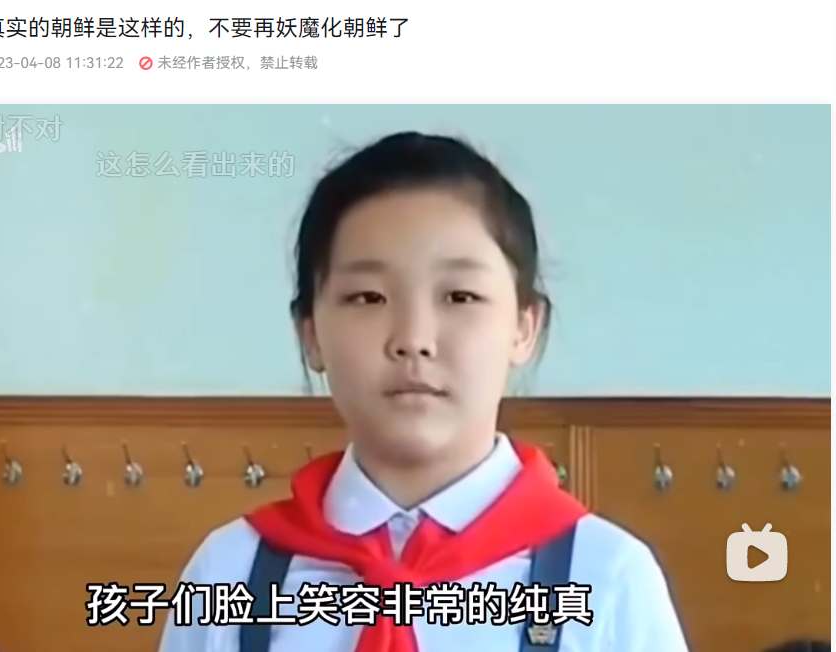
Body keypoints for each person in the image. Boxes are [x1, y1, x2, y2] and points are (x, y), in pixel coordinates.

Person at [157, 132, 689, 652]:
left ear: (524, 327)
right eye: (368, 297)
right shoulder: (231, 574)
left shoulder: (606, 578)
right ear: (311, 334)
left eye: (460, 296)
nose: (413, 339)